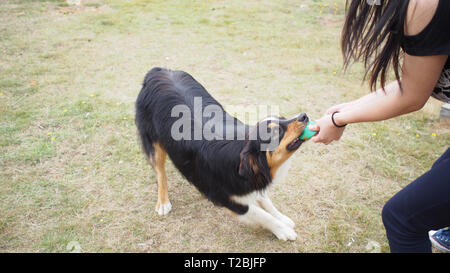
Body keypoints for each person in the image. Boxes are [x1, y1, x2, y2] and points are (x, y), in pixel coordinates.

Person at [308, 0, 450, 253]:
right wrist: (346, 111)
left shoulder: (423, 5)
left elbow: (411, 96)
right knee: (437, 180)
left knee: (403, 218)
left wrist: (338, 120)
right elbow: (413, 82)